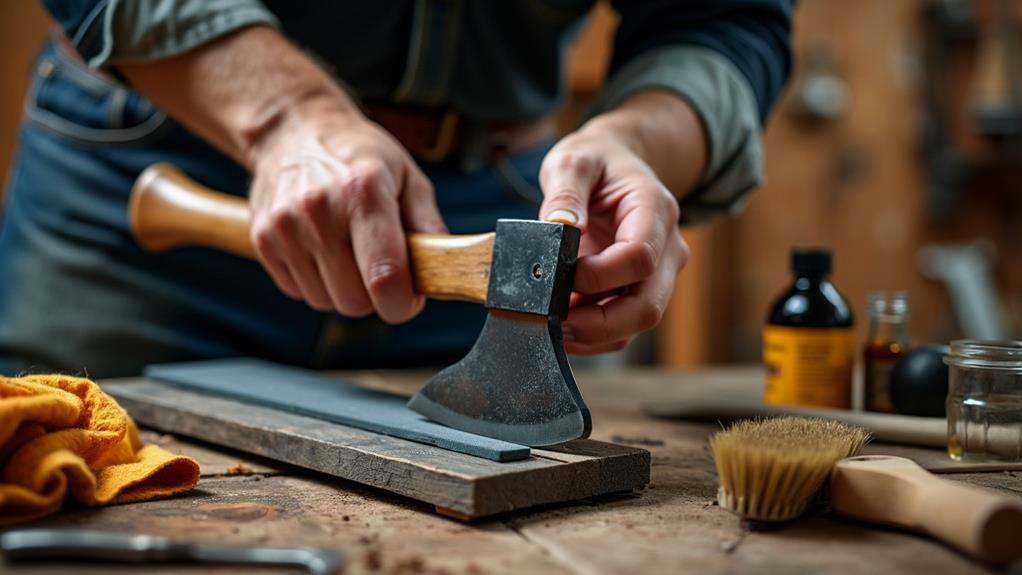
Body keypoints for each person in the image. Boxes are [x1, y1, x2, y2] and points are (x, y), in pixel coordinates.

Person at [0, 1, 793, 378]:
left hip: (501, 199)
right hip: (163, 196)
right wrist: (283, 114)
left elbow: (728, 21)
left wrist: (637, 140)